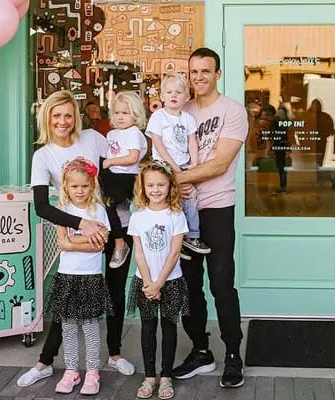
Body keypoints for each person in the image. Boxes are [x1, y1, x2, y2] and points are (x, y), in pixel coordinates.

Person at [17, 90, 135, 388]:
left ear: (76, 117)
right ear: (47, 118)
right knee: (68, 303)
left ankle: (115, 354)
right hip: (79, 233)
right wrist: (82, 223)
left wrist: (117, 231)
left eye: (68, 115)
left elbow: (112, 184)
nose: (63, 121)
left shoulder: (94, 139)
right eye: (56, 115)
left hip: (112, 226)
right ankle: (45, 362)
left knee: (115, 293)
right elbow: (42, 206)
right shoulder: (43, 155)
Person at [171, 47, 248, 388]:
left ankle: (233, 354)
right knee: (189, 286)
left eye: (205, 71)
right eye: (193, 72)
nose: (198, 77)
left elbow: (219, 164)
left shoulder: (233, 110)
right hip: (180, 211)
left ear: (218, 73)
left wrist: (176, 179)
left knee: (220, 283)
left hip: (216, 206)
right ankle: (201, 350)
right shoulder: (179, 110)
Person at [48, 157, 113, 395]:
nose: (80, 191)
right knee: (68, 327)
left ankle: (93, 372)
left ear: (92, 185)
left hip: (90, 276)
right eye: (74, 186)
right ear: (66, 186)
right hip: (67, 276)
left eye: (84, 186)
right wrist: (86, 239)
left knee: (90, 327)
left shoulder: (99, 211)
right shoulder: (62, 211)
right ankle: (71, 370)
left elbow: (100, 245)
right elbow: (61, 243)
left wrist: (73, 241)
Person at [128, 160, 189, 400]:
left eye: (161, 185)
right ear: (142, 187)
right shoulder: (138, 217)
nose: (155, 189)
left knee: (170, 328)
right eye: (150, 185)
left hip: (170, 281)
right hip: (144, 282)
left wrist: (159, 282)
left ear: (170, 186)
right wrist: (148, 283)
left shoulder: (176, 214)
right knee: (148, 328)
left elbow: (175, 252)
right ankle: (150, 376)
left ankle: (166, 377)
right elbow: (139, 252)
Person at [145, 72, 211, 258]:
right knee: (169, 200)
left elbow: (192, 142)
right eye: (169, 92)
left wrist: (195, 163)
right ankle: (173, 239)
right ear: (162, 96)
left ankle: (191, 236)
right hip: (163, 166)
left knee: (190, 196)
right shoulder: (159, 117)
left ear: (187, 97)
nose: (174, 95)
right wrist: (173, 167)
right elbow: (158, 144)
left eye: (179, 92)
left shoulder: (188, 119)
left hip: (183, 164)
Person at [100, 91, 148, 269]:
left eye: (125, 113)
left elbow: (132, 157)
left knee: (109, 202)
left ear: (136, 115)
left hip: (126, 176)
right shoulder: (112, 134)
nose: (120, 117)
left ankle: (120, 243)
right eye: (117, 113)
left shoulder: (133, 133)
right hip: (113, 175)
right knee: (103, 203)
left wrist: (110, 161)